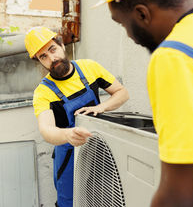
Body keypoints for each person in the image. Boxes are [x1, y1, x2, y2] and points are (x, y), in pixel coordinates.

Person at [92, 0, 193, 206]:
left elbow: (178, 194)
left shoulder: (174, 57)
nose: (128, 34)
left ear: (141, 13)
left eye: (121, 23)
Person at [24, 26, 129, 207]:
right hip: (68, 156)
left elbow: (122, 93)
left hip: (99, 148)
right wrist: (67, 135)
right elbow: (46, 129)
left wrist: (101, 107)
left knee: (103, 198)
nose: (52, 59)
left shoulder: (90, 67)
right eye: (43, 57)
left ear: (61, 44)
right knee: (69, 202)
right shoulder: (43, 93)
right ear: (39, 62)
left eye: (52, 49)